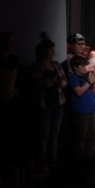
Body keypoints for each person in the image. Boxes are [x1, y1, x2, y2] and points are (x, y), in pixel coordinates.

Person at [28, 33, 66, 170]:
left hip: (58, 103)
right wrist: (56, 81)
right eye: (50, 50)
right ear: (44, 51)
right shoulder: (37, 65)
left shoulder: (56, 64)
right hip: (44, 104)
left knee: (54, 135)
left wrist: (61, 82)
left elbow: (64, 80)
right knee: (43, 135)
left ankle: (53, 160)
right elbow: (38, 82)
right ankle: (42, 162)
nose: (53, 52)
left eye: (53, 50)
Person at [67, 55, 95, 160]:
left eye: (86, 65)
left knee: (92, 137)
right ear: (75, 67)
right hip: (81, 112)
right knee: (81, 138)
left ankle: (90, 161)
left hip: (91, 111)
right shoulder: (73, 77)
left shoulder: (86, 77)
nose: (85, 67)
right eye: (82, 65)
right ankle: (79, 162)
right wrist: (89, 82)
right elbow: (78, 92)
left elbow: (94, 93)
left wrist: (93, 81)